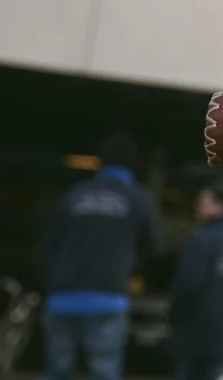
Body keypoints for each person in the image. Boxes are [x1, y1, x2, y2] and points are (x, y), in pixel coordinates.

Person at [44, 135, 162, 380]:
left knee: (58, 371)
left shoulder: (74, 194)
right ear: (133, 165)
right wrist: (131, 268)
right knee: (104, 370)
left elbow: (50, 241)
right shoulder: (138, 199)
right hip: (107, 298)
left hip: (63, 296)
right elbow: (153, 245)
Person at [167, 184, 223, 380]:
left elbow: (187, 285)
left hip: (195, 333)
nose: (198, 207)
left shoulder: (203, 240)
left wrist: (173, 314)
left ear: (219, 207)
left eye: (203, 202)